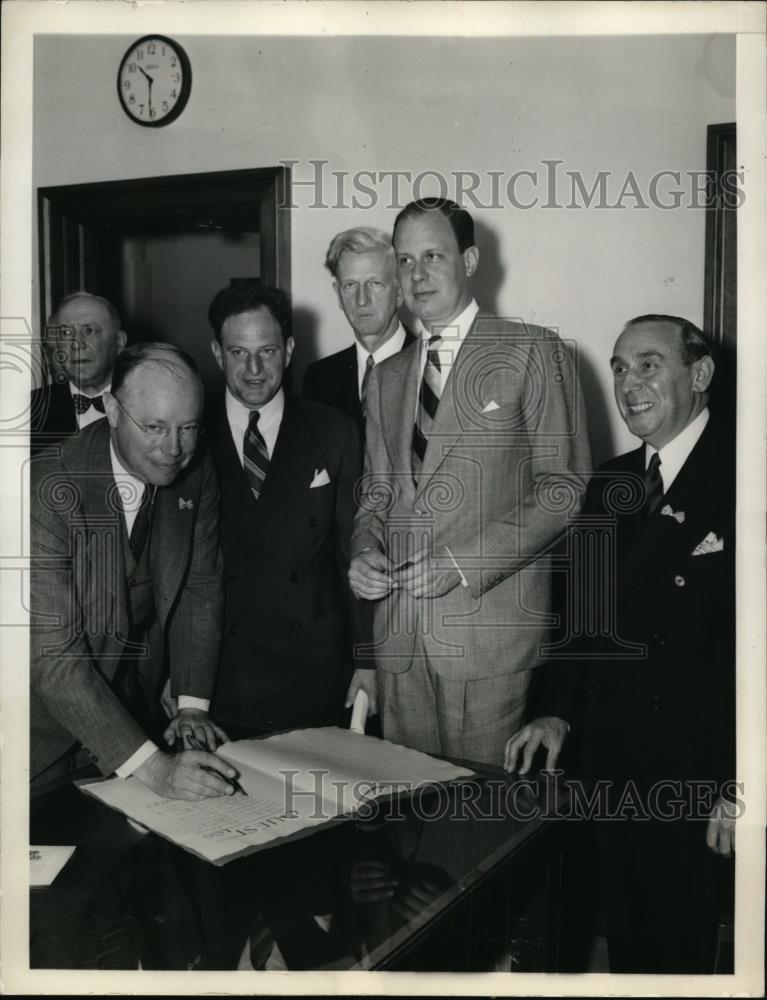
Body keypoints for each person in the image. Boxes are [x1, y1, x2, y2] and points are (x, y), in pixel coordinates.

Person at [505, 315, 736, 973]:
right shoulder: (609, 482)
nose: (627, 385)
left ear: (699, 373)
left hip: (694, 773)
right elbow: (578, 624)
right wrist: (554, 709)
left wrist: (741, 780)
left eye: (647, 364)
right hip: (602, 759)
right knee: (596, 937)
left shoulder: (746, 473)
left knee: (671, 956)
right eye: (617, 367)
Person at [348, 198, 591, 765]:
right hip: (400, 644)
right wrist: (364, 548)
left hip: (488, 644)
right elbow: (377, 494)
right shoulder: (385, 378)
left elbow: (565, 489)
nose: (417, 274)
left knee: (480, 832)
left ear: (471, 259)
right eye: (405, 261)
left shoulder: (533, 350)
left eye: (433, 255)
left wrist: (463, 564)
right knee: (406, 823)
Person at [31, 342, 236, 801]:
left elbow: (200, 586)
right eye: (156, 427)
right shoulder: (47, 488)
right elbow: (55, 662)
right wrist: (155, 769)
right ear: (112, 409)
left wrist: (192, 706)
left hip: (134, 724)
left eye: (188, 428)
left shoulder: (196, 469)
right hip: (37, 742)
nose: (174, 449)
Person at [206, 282, 363, 738]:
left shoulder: (334, 431)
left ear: (290, 349)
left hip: (313, 670)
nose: (254, 369)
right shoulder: (191, 436)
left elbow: (354, 553)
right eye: (238, 353)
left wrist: (367, 661)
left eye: (268, 351)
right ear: (217, 353)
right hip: (225, 675)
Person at [302, 228, 414, 432]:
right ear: (338, 294)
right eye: (350, 285)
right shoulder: (319, 379)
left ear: (399, 292)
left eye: (375, 283)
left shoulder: (433, 369)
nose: (362, 299)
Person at [31, 292, 127, 453]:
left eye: (89, 330)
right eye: (66, 333)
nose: (77, 344)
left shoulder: (146, 404)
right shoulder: (30, 411)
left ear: (119, 342)